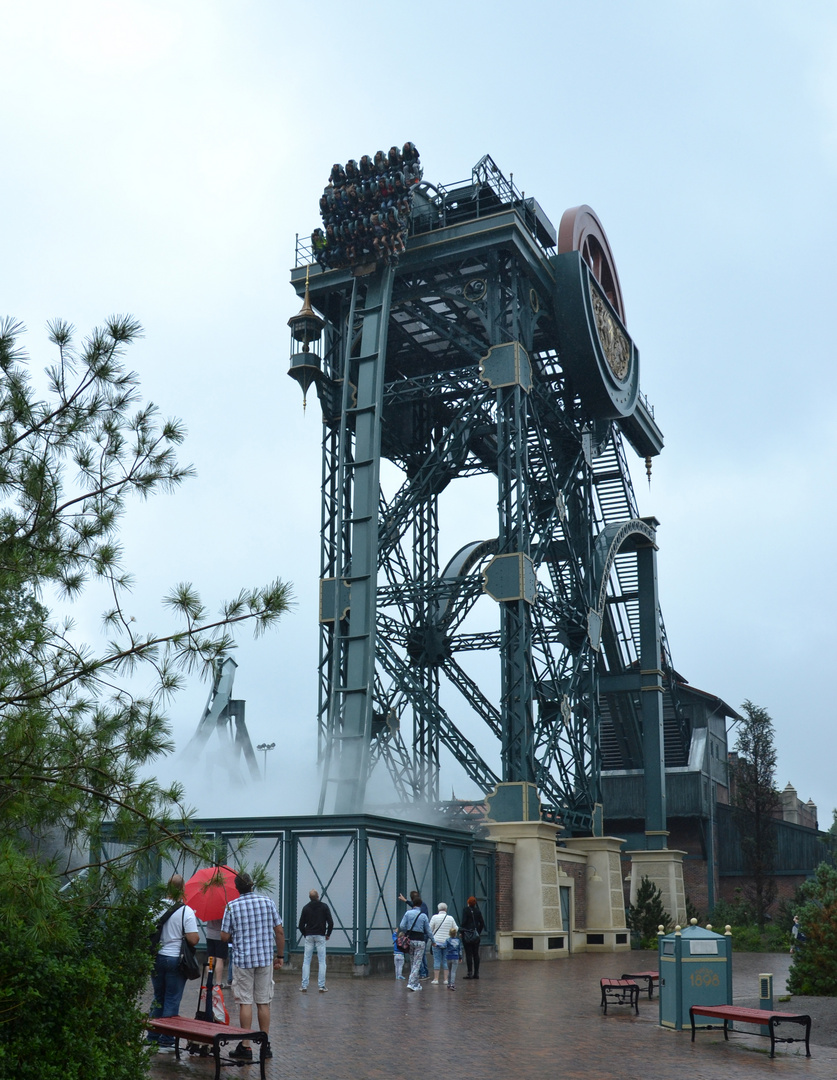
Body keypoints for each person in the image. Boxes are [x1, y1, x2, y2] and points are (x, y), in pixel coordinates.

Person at [220, 872, 284, 1062]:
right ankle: (265, 1045)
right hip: (264, 959)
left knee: (245, 1002)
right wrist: (280, 956)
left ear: (237, 888)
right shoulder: (268, 902)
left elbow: (224, 937)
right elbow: (279, 931)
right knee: (263, 1002)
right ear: (253, 885)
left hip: (243, 960)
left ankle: (246, 1046)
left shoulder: (232, 906)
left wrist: (237, 936)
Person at [149, 874, 199, 1048]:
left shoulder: (154, 908)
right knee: (172, 999)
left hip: (156, 958)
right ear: (183, 889)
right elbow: (193, 939)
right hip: (175, 960)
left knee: (158, 997)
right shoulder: (186, 911)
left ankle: (152, 1037)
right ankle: (166, 1041)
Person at [297, 888, 333, 992]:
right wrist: (328, 934)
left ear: (310, 898)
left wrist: (305, 933)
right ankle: (321, 986)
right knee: (322, 961)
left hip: (309, 936)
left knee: (306, 960)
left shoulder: (306, 908)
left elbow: (300, 925)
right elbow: (330, 922)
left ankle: (304, 985)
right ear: (318, 896)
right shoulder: (324, 907)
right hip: (320, 935)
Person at [399, 896, 431, 992]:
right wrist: (433, 941)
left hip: (410, 940)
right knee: (417, 963)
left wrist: (407, 932)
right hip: (420, 940)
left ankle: (416, 984)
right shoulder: (423, 915)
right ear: (420, 905)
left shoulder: (408, 913)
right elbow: (428, 930)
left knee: (413, 962)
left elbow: (402, 926)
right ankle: (411, 983)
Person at [428, 902, 457, 984]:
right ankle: (446, 980)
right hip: (447, 943)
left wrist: (432, 939)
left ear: (438, 909)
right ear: (446, 909)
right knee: (445, 961)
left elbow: (429, 929)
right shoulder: (450, 918)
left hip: (436, 942)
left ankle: (436, 979)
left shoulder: (434, 917)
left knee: (436, 960)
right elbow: (456, 928)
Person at [460, 896, 485, 979]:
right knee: (476, 954)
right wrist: (478, 932)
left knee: (468, 954)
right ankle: (476, 973)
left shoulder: (465, 910)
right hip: (475, 935)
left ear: (468, 902)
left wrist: (462, 931)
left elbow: (464, 922)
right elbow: (482, 923)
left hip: (467, 934)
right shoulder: (477, 911)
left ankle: (469, 972)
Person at [203, 918, 229, 987]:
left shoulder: (209, 909)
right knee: (219, 959)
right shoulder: (222, 910)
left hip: (209, 935)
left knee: (211, 958)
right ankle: (218, 983)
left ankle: (209, 980)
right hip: (220, 936)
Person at [445, 926, 462, 990]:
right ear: (455, 933)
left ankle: (449, 984)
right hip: (455, 957)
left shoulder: (447, 940)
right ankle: (452, 984)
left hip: (449, 956)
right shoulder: (458, 941)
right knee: (453, 971)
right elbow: (459, 950)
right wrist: (460, 957)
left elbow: (444, 946)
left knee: (449, 971)